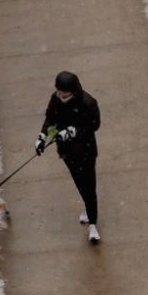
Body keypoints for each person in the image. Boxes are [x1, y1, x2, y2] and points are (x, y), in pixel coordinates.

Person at [35, 71, 101, 242]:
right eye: (59, 91)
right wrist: (43, 137)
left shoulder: (88, 102)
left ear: (73, 90)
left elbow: (94, 124)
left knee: (89, 185)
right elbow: (51, 120)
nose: (61, 95)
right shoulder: (56, 99)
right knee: (79, 182)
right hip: (67, 152)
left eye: (64, 92)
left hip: (85, 151)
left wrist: (73, 131)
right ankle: (88, 208)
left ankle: (93, 223)